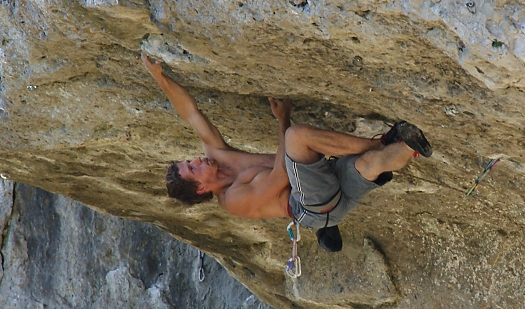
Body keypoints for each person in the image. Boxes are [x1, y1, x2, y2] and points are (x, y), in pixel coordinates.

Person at [142, 52, 431, 252]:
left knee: (371, 165)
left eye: (188, 161)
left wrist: (159, 78)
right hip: (313, 207)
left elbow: (190, 113)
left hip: (327, 190)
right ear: (203, 187)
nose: (195, 160)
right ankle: (380, 142)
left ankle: (410, 145)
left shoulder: (218, 156)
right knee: (296, 137)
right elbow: (281, 175)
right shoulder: (232, 201)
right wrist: (283, 120)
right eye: (192, 169)